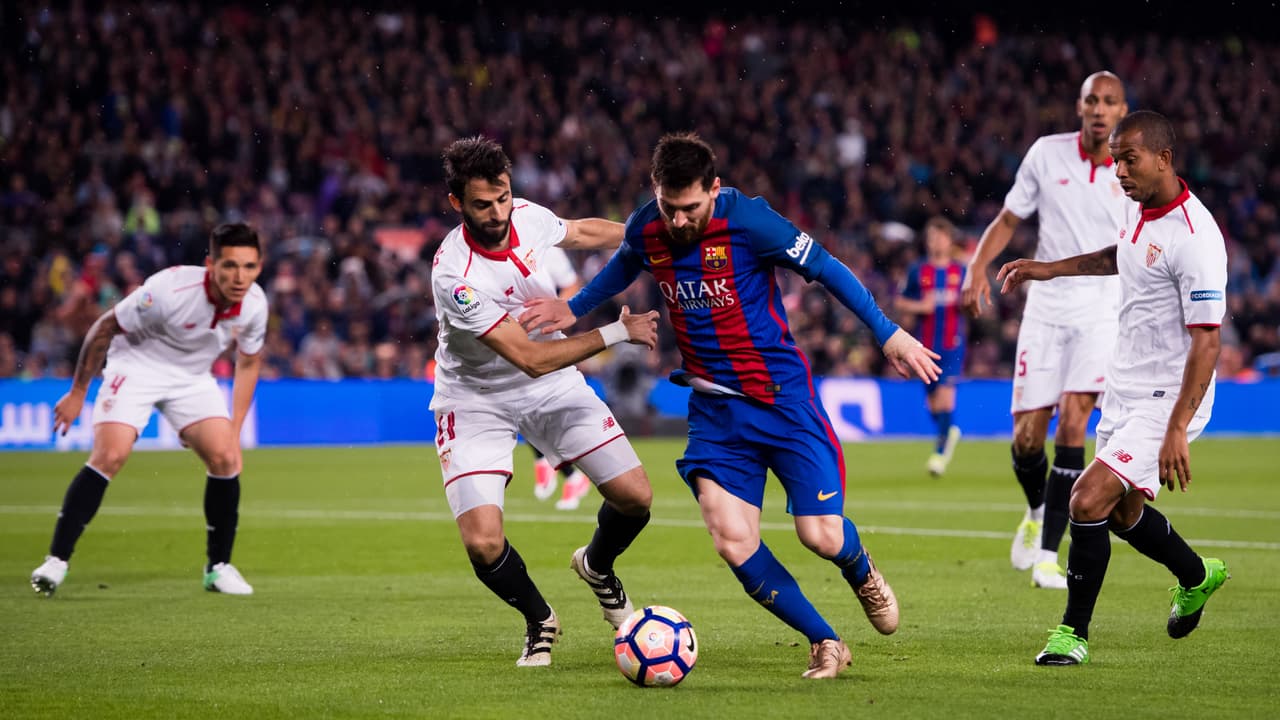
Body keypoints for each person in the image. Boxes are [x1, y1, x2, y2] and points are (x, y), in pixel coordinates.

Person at [521, 132, 940, 679]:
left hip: (782, 400)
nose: (678, 220)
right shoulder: (650, 224)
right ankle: (825, 640)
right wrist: (574, 307)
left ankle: (859, 568)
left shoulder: (751, 221)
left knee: (821, 536)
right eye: (670, 207)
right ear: (657, 192)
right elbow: (628, 258)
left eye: (690, 208)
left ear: (714, 190)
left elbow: (828, 269)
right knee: (732, 538)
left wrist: (889, 335)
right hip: (716, 410)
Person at [997, 110, 1230, 666]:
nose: (1118, 170)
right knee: (1122, 514)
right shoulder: (1138, 210)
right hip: (1125, 387)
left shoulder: (1197, 239)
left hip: (1170, 396)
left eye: (1129, 159)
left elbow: (1208, 343)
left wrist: (1176, 428)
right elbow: (1120, 257)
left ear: (1164, 159)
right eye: (1115, 159)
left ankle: (1071, 633)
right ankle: (1197, 576)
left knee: (1087, 497)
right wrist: (1050, 269)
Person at [431, 136, 660, 668]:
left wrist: (650, 234)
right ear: (456, 203)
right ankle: (540, 620)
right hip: (476, 398)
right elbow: (529, 358)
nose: (497, 213)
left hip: (553, 386)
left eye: (503, 198)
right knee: (484, 543)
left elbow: (579, 231)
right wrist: (615, 333)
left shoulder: (529, 215)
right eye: (482, 205)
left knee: (635, 498)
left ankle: (597, 567)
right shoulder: (455, 276)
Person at [31, 222, 268, 597]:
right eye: (230, 266)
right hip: (136, 366)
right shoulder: (170, 289)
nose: (240, 277)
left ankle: (218, 567)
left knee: (225, 458)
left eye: (249, 267)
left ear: (259, 266)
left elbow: (250, 362)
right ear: (211, 265)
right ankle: (56, 562)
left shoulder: (255, 305)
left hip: (190, 378)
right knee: (111, 454)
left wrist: (235, 429)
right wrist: (78, 392)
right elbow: (105, 327)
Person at [961, 71, 1131, 590]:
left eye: (1109, 102)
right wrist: (976, 266)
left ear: (1122, 111)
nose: (1099, 110)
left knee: (1074, 422)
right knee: (1028, 439)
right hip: (1048, 304)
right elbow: (1010, 219)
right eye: (1091, 101)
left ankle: (1047, 556)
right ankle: (1037, 509)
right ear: (1079, 106)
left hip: (1103, 304)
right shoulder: (1046, 153)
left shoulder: (1132, 171)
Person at [896, 216, 966, 476]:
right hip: (924, 345)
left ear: (949, 241)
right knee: (934, 404)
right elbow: (901, 301)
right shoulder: (918, 270)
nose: (935, 242)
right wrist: (920, 306)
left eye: (940, 237)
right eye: (931, 237)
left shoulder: (960, 272)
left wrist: (968, 305)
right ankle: (948, 431)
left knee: (946, 397)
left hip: (952, 343)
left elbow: (975, 301)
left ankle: (939, 455)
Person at [529, 244, 594, 511]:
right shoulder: (493, 251)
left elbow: (572, 284)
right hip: (515, 341)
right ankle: (562, 470)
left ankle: (555, 465)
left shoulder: (544, 249)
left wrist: (558, 312)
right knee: (527, 408)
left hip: (544, 341)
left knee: (540, 410)